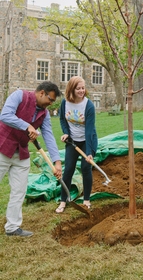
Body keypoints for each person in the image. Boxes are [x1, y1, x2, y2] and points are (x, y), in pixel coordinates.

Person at [0, 81, 62, 237]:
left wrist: (57, 161)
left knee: (19, 190)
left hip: (21, 152)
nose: (51, 103)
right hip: (3, 147)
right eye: (51, 99)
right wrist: (27, 126)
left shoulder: (45, 113)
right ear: (41, 93)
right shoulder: (19, 95)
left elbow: (48, 135)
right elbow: (5, 115)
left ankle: (12, 227)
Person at [56, 76, 98, 213]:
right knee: (68, 170)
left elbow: (90, 130)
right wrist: (66, 133)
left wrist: (90, 152)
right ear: (71, 89)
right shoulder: (65, 103)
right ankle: (63, 201)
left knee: (86, 167)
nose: (81, 91)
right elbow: (62, 119)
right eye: (78, 88)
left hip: (87, 141)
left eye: (83, 88)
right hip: (72, 141)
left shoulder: (89, 105)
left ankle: (86, 200)